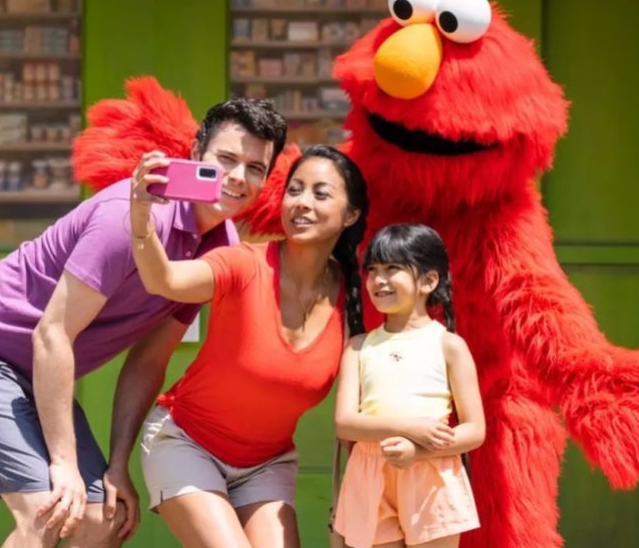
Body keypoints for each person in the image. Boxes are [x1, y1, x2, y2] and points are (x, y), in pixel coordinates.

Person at [0, 97, 286, 547]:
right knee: (50, 511)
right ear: (196, 153)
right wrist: (63, 464)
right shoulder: (131, 215)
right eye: (225, 159)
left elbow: (149, 361)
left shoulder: (219, 251)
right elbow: (53, 333)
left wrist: (117, 465)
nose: (239, 177)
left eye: (255, 167)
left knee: (104, 520)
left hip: (28, 372)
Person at [123, 144, 368, 547]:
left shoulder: (354, 298)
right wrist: (140, 216)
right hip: (186, 443)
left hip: (267, 465)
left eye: (320, 194)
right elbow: (163, 280)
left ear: (351, 214)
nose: (302, 203)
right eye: (295, 190)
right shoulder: (243, 263)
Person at [333, 223, 485, 548]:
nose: (379, 280)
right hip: (370, 475)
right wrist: (409, 427)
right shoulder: (358, 347)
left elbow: (474, 430)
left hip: (432, 475)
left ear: (429, 281)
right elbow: (345, 423)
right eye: (372, 270)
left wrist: (418, 450)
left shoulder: (449, 345)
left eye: (393, 269)